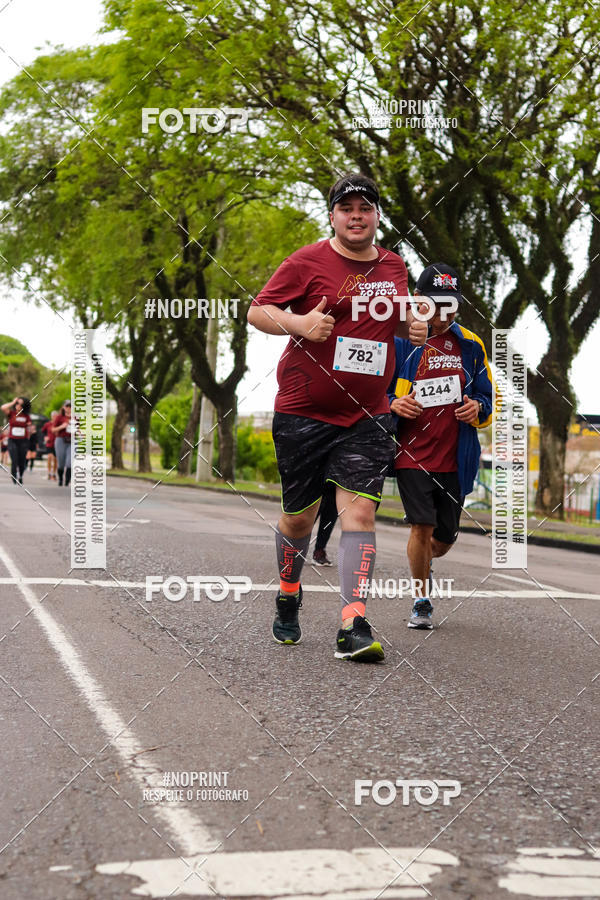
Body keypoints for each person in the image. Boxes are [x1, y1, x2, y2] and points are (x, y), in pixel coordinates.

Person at [247, 172, 427, 662]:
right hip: (304, 410)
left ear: (375, 216)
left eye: (364, 209)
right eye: (346, 208)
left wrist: (411, 324)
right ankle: (288, 593)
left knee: (360, 513)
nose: (356, 216)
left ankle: (353, 621)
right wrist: (300, 322)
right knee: (300, 518)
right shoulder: (307, 261)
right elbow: (257, 311)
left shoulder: (394, 266)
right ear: (333, 215)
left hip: (368, 415)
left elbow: (396, 321)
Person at [387, 263, 493, 629]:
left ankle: (422, 562)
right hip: (411, 454)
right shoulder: (398, 342)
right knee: (421, 526)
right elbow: (373, 391)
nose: (442, 314)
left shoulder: (471, 345)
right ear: (417, 301)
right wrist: (393, 404)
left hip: (456, 458)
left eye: (449, 305)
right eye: (434, 305)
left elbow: (487, 397)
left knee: (442, 540)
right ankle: (421, 600)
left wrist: (477, 407)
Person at [1, 396, 33, 485]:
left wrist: (30, 430)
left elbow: (30, 428)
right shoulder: (11, 413)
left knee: (22, 460)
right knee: (14, 459)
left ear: (23, 406)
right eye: (16, 403)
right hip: (12, 440)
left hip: (23, 441)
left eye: (19, 403)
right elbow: (3, 407)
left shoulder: (26, 416)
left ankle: (20, 476)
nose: (17, 405)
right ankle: (14, 475)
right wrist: (12, 401)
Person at [312, 482, 337, 566]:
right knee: (309, 515)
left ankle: (319, 550)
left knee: (330, 513)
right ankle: (296, 548)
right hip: (316, 477)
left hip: (337, 478)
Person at [53, 400, 74, 486]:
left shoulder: (76, 417)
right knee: (61, 462)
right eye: (67, 406)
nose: (69, 408)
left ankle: (67, 481)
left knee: (69, 462)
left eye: (70, 406)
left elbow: (78, 429)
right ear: (63, 407)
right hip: (60, 440)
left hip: (72, 441)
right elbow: (53, 430)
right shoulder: (59, 417)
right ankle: (61, 478)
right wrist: (62, 426)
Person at [42, 412, 58, 480]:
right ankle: (49, 473)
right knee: (49, 457)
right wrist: (45, 437)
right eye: (53, 416)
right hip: (49, 443)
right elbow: (43, 432)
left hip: (57, 444)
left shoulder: (58, 424)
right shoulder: (47, 424)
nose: (54, 417)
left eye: (56, 416)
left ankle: (54, 474)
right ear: (51, 416)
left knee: (55, 459)